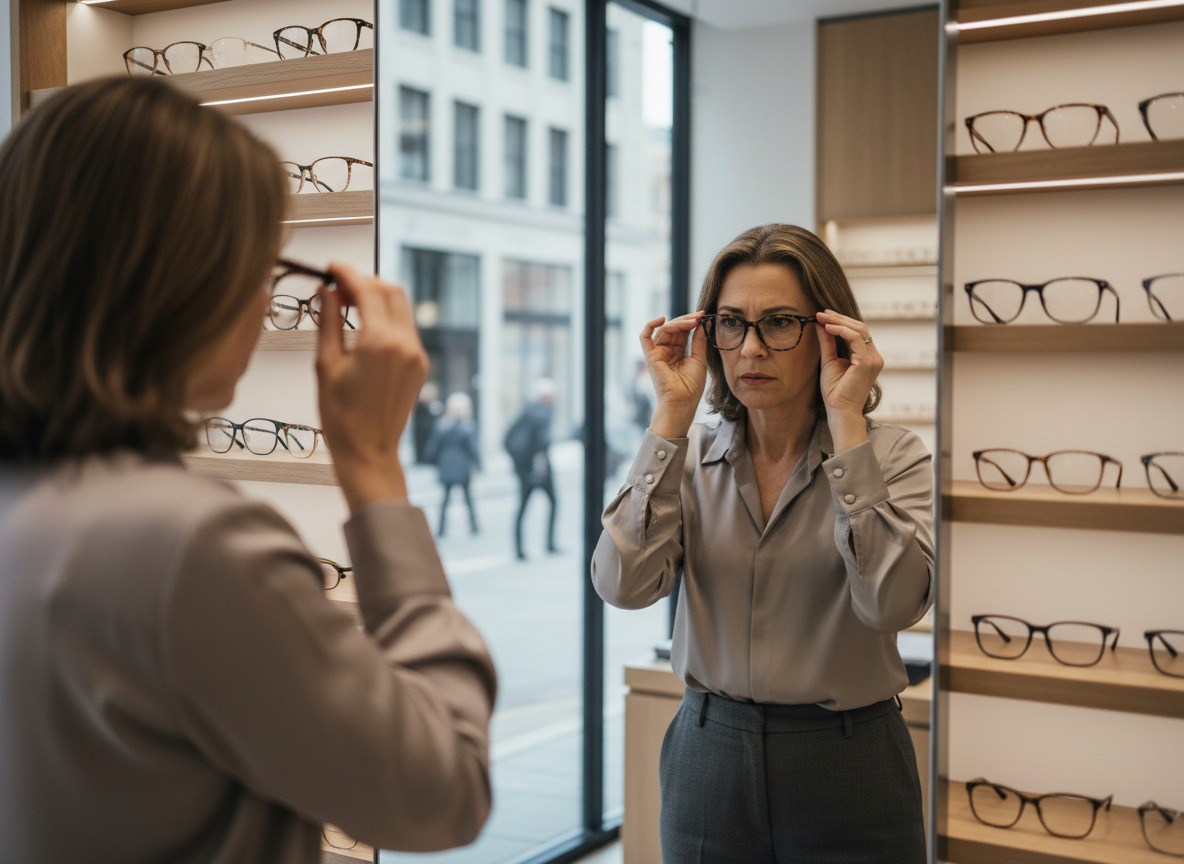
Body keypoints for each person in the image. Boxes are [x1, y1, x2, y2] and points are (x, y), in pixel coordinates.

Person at [0, 76, 496, 863]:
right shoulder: (184, 545)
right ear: (180, 277)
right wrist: (372, 468)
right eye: (260, 267)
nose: (267, 306)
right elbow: (441, 794)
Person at [592, 223, 933, 863]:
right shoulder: (685, 459)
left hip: (849, 758)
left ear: (830, 332)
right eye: (730, 323)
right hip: (708, 754)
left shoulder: (891, 458)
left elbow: (892, 605)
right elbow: (622, 585)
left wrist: (847, 429)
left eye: (778, 323)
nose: (751, 348)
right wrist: (669, 417)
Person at [504, 378, 559, 560]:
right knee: (553, 503)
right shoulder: (543, 413)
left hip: (524, 468)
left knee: (522, 507)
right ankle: (549, 543)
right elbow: (543, 442)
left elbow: (507, 439)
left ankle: (518, 549)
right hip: (540, 468)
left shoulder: (526, 412)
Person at [424, 391, 481, 536]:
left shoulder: (443, 425)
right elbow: (473, 448)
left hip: (447, 464)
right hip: (462, 465)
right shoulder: (468, 426)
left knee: (445, 499)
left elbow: (433, 447)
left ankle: (441, 529)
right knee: (468, 498)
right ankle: (473, 526)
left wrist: (435, 462)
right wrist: (478, 464)